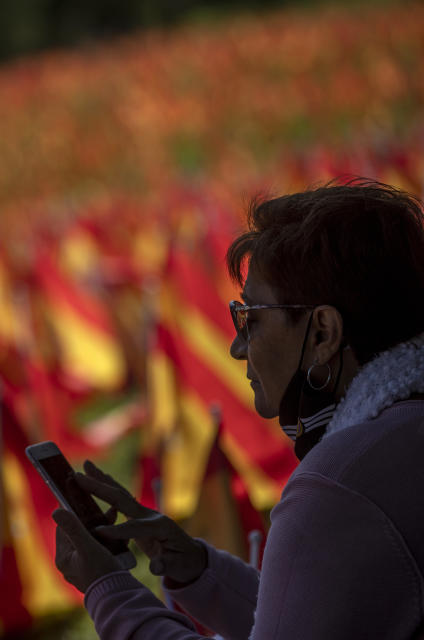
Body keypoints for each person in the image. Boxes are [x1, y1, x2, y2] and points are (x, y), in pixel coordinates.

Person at [52, 179, 424, 639]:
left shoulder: (338, 485)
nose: (235, 347)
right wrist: (195, 568)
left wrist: (107, 590)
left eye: (251, 319)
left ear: (324, 333)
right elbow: (313, 617)